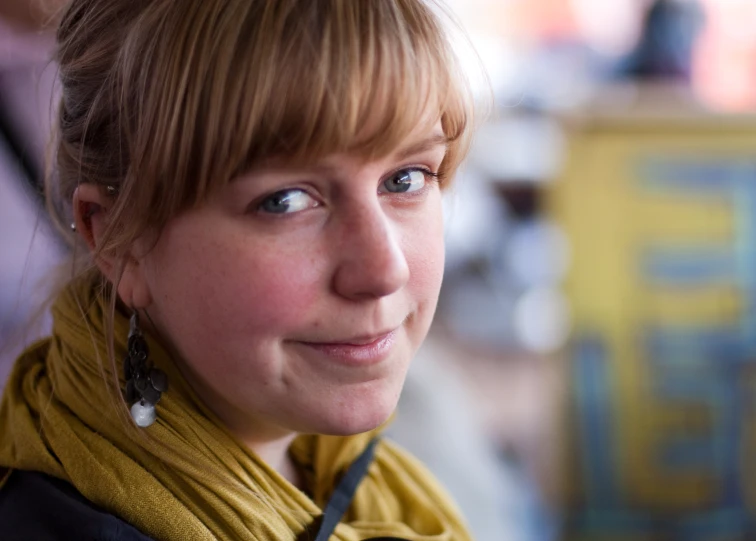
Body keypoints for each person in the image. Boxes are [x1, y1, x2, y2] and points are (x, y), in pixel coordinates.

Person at [0, 0, 476, 539]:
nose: (382, 270)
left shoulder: (350, 472)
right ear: (118, 241)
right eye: (286, 201)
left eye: (406, 179)